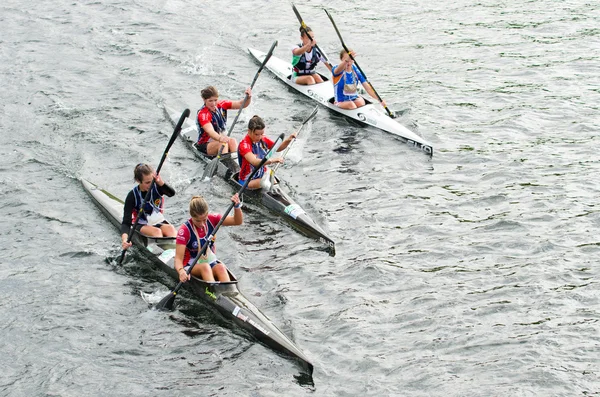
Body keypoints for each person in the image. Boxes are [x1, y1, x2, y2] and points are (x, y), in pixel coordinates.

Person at [174, 194, 242, 283]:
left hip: (207, 259)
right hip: (190, 264)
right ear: (191, 216)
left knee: (221, 267)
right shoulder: (184, 230)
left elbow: (237, 221)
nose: (202, 224)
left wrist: (237, 206)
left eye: (204, 220)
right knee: (205, 267)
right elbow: (178, 259)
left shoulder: (213, 219)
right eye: (198, 220)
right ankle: (212, 292)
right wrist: (181, 271)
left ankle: (228, 293)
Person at [120, 163, 177, 250]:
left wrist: (160, 182)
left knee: (171, 229)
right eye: (147, 183)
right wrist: (125, 240)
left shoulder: (157, 186)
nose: (150, 185)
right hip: (141, 224)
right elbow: (126, 222)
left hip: (157, 220)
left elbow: (171, 193)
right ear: (138, 181)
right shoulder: (132, 196)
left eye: (151, 181)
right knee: (157, 232)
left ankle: (177, 251)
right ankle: (163, 254)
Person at [237, 115, 296, 189]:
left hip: (261, 175)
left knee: (274, 182)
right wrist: (272, 160)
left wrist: (288, 140)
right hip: (247, 180)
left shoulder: (263, 140)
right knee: (263, 182)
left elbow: (277, 148)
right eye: (256, 134)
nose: (259, 137)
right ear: (249, 131)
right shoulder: (244, 145)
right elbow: (254, 161)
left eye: (261, 134)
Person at [195, 85, 252, 157]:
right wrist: (220, 138)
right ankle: (225, 164)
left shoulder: (222, 105)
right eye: (210, 101)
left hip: (219, 140)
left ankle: (236, 163)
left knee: (232, 141)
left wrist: (248, 98)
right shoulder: (203, 114)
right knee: (223, 144)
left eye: (215, 100)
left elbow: (241, 104)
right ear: (204, 100)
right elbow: (210, 131)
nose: (213, 104)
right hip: (205, 145)